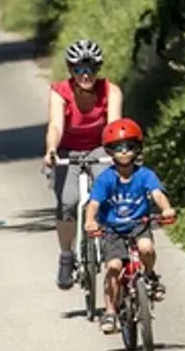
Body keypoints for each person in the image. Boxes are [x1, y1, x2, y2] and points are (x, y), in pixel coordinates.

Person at [42, 38, 124, 289]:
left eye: (90, 69)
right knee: (67, 202)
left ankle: (113, 245)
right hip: (68, 148)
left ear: (98, 69)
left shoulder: (110, 91)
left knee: (108, 192)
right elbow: (56, 125)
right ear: (71, 70)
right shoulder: (60, 92)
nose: (85, 75)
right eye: (79, 69)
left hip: (100, 146)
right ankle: (66, 255)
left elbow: (113, 125)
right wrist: (52, 149)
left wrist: (117, 153)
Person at [83, 118, 176, 334]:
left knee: (146, 249)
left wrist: (166, 209)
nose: (124, 152)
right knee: (114, 267)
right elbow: (94, 203)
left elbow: (157, 193)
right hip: (112, 229)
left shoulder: (145, 175)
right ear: (110, 152)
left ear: (137, 149)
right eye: (118, 148)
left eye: (129, 147)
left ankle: (150, 276)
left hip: (138, 224)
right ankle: (110, 312)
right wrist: (90, 221)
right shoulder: (106, 179)